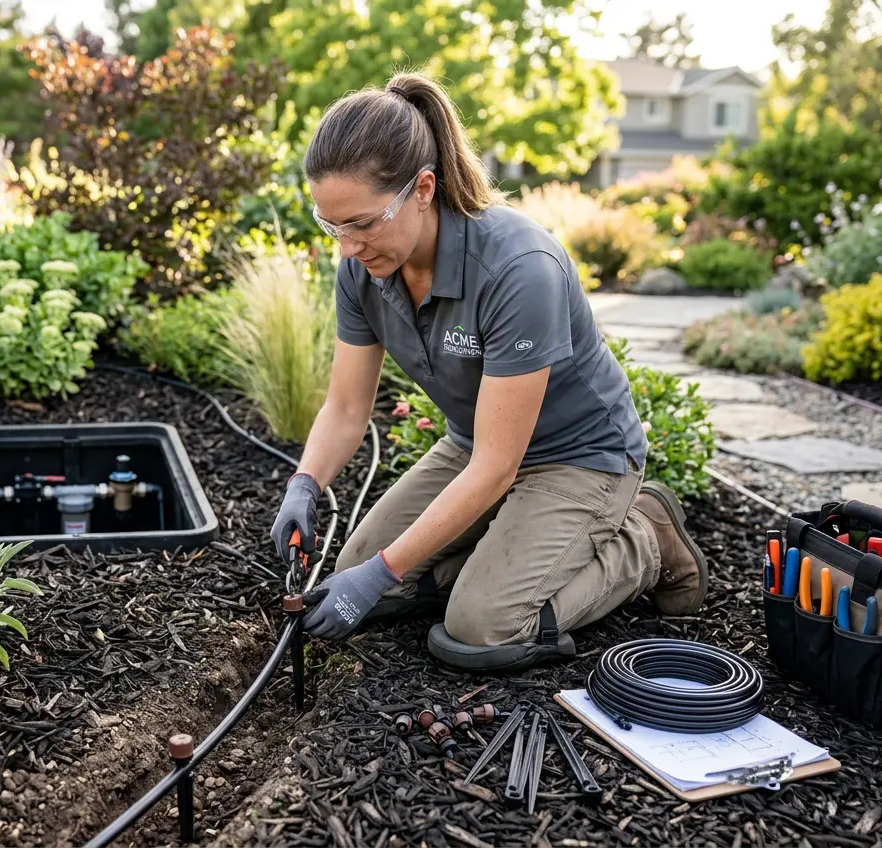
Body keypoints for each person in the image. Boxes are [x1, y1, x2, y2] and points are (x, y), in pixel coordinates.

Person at [268, 71, 708, 673]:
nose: (347, 246)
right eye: (332, 225)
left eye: (363, 223)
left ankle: (643, 543)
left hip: (578, 456)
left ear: (423, 188)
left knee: (478, 629)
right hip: (476, 446)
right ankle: (500, 553)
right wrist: (304, 484)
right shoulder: (362, 269)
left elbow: (499, 466)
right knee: (359, 575)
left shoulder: (517, 269)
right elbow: (347, 409)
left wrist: (386, 569)